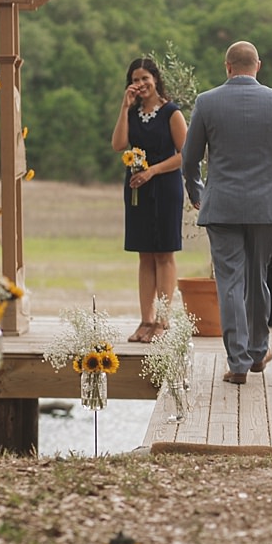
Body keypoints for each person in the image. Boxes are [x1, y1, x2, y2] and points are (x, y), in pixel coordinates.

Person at [182, 41, 272, 383]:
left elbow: (190, 157)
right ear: (259, 65)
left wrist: (197, 191)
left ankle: (238, 362)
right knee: (257, 279)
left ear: (227, 67)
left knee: (229, 282)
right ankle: (259, 351)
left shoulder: (207, 102)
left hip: (221, 205)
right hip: (262, 206)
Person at [112, 57, 188, 343]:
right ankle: (145, 319)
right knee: (144, 253)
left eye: (145, 78)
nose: (141, 84)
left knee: (164, 252)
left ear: (155, 79)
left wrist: (152, 171)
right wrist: (124, 107)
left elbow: (185, 154)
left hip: (165, 186)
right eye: (135, 79)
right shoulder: (132, 113)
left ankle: (163, 321)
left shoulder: (171, 112)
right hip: (136, 189)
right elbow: (119, 144)